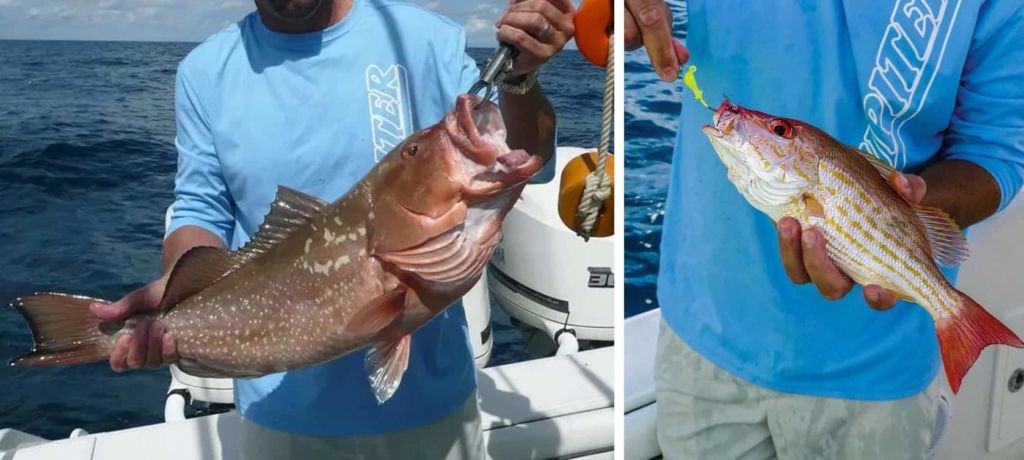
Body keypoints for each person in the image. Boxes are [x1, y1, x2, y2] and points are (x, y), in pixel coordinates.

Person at [86, 0, 574, 458]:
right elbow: (200, 209)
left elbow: (529, 155)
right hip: (278, 417)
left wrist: (521, 82)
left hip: (434, 406)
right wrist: (179, 292)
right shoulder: (204, 72)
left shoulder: (427, 39)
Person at [627, 0, 1024, 458]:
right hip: (701, 328)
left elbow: (996, 147)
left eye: (776, 130)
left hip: (875, 369)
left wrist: (893, 221)